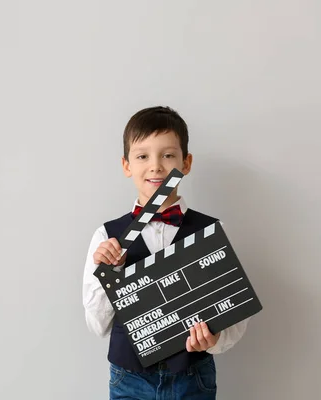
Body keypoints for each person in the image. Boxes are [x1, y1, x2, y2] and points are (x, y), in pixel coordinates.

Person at [82, 106, 250, 399]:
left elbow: (234, 319)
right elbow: (98, 325)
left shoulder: (213, 232)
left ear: (186, 163)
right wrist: (110, 271)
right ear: (126, 165)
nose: (156, 166)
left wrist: (213, 339)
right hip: (128, 379)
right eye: (142, 156)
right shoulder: (106, 237)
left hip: (192, 378)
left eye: (168, 155)